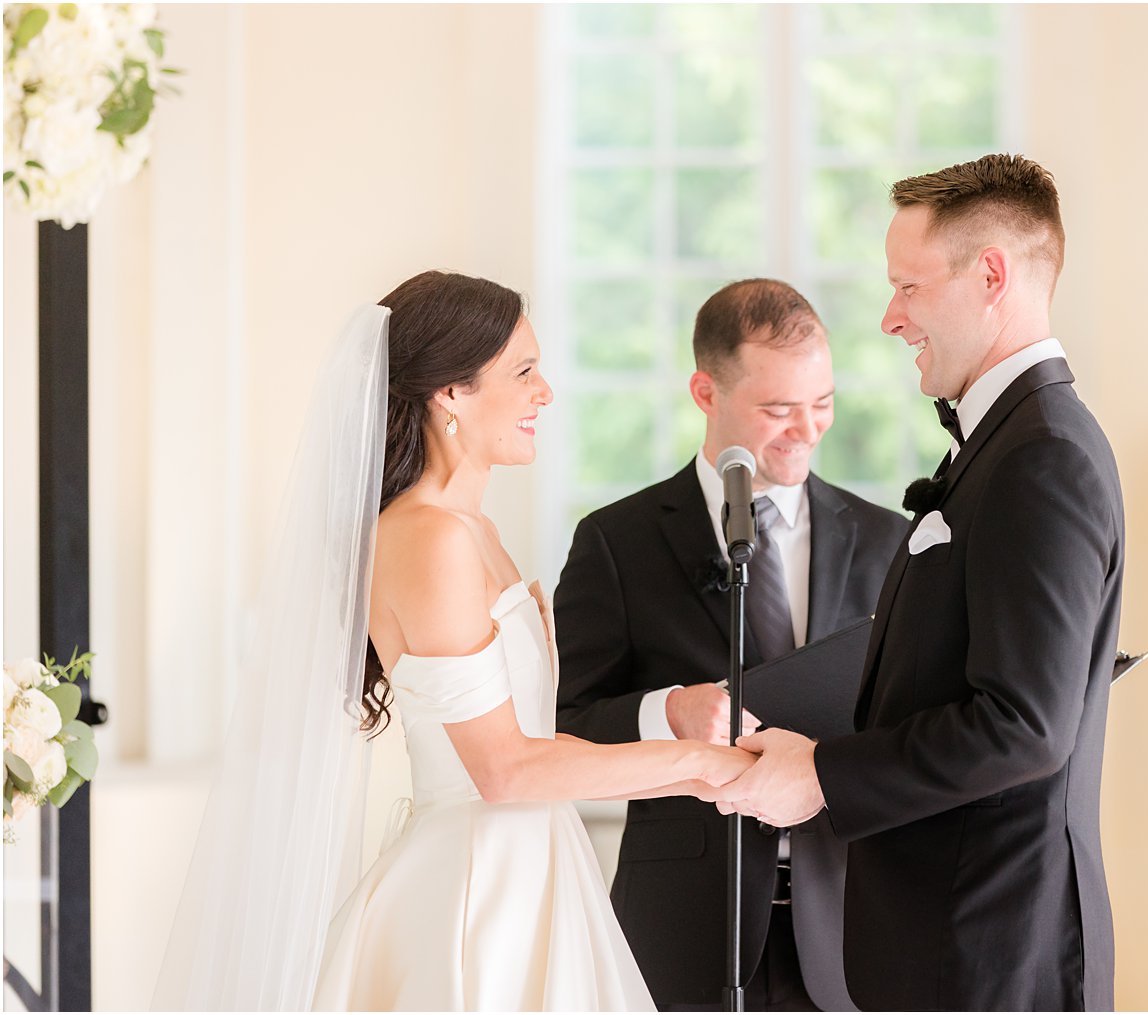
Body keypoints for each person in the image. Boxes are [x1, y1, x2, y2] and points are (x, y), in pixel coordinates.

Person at [154, 271, 753, 1012]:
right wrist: (701, 762)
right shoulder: (430, 537)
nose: (546, 393)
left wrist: (710, 775)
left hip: (535, 862)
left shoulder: (474, 532)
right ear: (451, 394)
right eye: (524, 371)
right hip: (478, 891)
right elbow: (503, 767)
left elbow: (533, 741)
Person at [709, 155, 1126, 1011]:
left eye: (908, 286)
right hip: (957, 945)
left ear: (992, 276)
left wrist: (824, 772)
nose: (891, 317)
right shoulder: (1007, 442)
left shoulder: (1040, 456)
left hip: (989, 953)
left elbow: (1024, 726)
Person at [555, 279, 907, 1011]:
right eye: (778, 409)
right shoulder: (616, 543)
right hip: (682, 927)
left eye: (823, 404)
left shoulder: (887, 542)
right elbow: (563, 727)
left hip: (854, 927)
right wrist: (665, 712)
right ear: (705, 391)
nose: (806, 430)